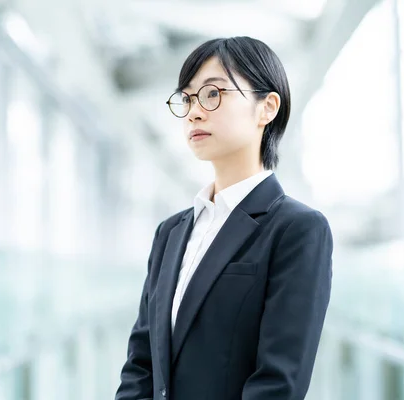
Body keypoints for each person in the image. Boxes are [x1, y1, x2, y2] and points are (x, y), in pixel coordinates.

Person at [115, 36, 333, 400]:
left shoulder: (297, 229)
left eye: (213, 94)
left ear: (267, 108)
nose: (194, 112)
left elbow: (278, 385)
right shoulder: (170, 233)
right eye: (186, 99)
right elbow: (141, 364)